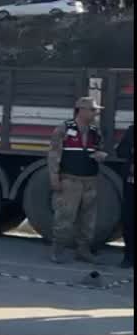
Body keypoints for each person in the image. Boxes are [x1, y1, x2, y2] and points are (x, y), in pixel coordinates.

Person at [48, 97, 109, 263]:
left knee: (88, 220)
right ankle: (57, 250)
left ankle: (83, 250)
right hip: (70, 181)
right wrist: (54, 177)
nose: (96, 113)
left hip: (90, 181)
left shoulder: (95, 131)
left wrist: (99, 156)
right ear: (81, 110)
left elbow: (99, 148)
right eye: (93, 110)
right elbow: (54, 154)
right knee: (65, 217)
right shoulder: (64, 128)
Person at [117, 125, 134, 269]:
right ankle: (128, 256)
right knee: (129, 221)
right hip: (131, 184)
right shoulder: (132, 130)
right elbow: (120, 152)